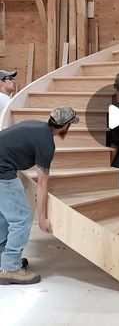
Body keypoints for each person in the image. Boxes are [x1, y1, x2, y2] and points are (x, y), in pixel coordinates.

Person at [0, 105, 79, 285]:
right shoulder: (46, 143)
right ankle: (10, 268)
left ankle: (3, 261)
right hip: (2, 172)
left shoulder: (36, 126)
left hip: (2, 167)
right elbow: (42, 184)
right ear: (65, 126)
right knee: (22, 219)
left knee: (4, 218)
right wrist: (42, 218)